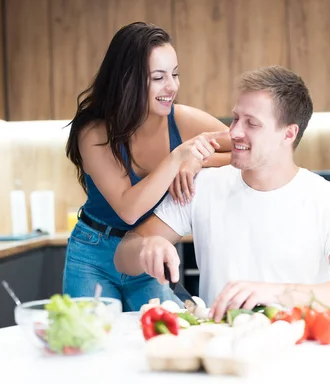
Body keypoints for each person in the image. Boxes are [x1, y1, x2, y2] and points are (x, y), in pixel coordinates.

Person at [113, 65, 330, 321]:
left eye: (252, 123)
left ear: (288, 134)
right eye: (236, 119)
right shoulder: (202, 186)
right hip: (221, 349)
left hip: (301, 347)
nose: (234, 132)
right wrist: (147, 246)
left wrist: (277, 293)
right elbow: (123, 257)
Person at [62, 21, 232, 312]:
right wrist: (178, 157)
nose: (172, 86)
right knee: (94, 345)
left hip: (149, 252)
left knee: (164, 339)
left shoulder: (181, 120)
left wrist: (196, 162)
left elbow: (245, 150)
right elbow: (129, 209)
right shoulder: (94, 132)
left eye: (175, 74)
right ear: (128, 79)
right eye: (158, 77)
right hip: (93, 256)